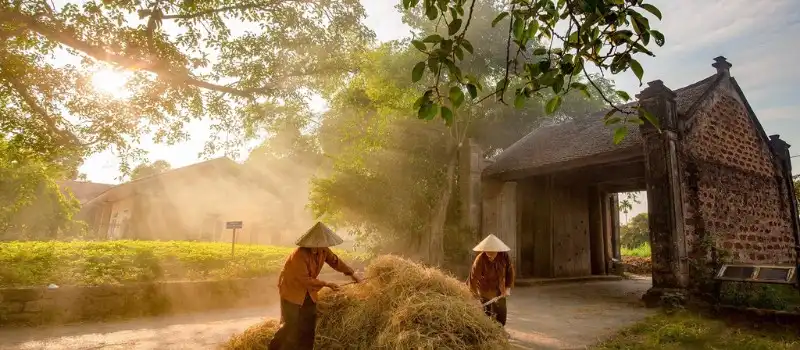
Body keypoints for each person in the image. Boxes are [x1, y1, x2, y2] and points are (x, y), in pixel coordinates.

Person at [268, 222, 361, 350]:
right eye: (319, 244)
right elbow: (305, 279)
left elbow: (335, 261)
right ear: (311, 243)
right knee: (290, 326)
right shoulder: (299, 255)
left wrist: (351, 273)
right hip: (292, 292)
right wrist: (326, 284)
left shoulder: (323, 250)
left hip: (309, 293)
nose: (323, 246)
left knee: (308, 327)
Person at [467, 234, 516, 327]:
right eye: (488, 253)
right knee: (486, 314)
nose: (491, 256)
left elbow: (510, 272)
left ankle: (500, 331)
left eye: (493, 253)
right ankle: (489, 332)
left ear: (498, 250)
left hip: (499, 289)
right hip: (484, 289)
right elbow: (473, 279)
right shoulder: (480, 259)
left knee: (501, 315)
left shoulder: (504, 256)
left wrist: (508, 287)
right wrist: (473, 296)